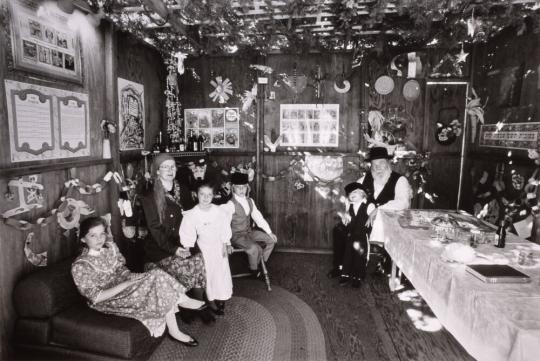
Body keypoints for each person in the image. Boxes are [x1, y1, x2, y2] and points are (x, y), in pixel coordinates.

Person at [71, 217, 202, 346]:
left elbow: (120, 269)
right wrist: (126, 283)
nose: (99, 239)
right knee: (156, 280)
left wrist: (131, 277)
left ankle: (175, 328)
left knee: (156, 275)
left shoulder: (109, 248)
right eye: (93, 235)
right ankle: (181, 302)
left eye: (102, 234)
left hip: (125, 284)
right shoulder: (81, 265)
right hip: (108, 299)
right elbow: (96, 297)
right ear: (83, 239)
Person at [140, 154, 213, 323]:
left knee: (200, 259)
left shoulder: (183, 189)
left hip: (184, 240)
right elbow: (155, 229)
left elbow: (192, 215)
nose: (170, 170)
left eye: (172, 166)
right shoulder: (149, 195)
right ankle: (189, 306)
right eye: (165, 167)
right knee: (187, 266)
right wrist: (174, 249)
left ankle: (198, 304)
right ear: (157, 171)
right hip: (160, 248)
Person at [328, 147, 412, 278]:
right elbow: (351, 197)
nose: (378, 167)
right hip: (361, 221)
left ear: (388, 163)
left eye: (381, 163)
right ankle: (340, 266)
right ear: (370, 165)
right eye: (374, 164)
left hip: (386, 222)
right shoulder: (363, 180)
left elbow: (403, 202)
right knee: (339, 230)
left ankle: (386, 264)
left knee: (392, 233)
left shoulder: (399, 180)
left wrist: (378, 209)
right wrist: (347, 212)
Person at [180, 182, 233, 315]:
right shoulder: (192, 214)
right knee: (208, 274)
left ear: (213, 196)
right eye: (202, 194)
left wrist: (226, 243)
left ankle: (221, 296)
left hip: (218, 245)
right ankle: (210, 300)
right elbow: (187, 233)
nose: (205, 198)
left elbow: (225, 228)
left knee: (221, 272)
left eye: (209, 195)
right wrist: (187, 247)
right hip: (203, 248)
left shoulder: (219, 211)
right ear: (196, 195)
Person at [221, 173, 277, 278]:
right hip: (236, 236)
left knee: (271, 240)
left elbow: (258, 217)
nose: (242, 190)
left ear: (247, 187)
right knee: (254, 248)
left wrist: (269, 232)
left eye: (244, 187)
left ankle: (260, 262)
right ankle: (253, 270)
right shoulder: (230, 204)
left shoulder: (250, 201)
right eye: (238, 187)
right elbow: (225, 225)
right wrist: (227, 243)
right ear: (233, 188)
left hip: (249, 232)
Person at [338, 183, 375, 288]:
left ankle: (357, 277)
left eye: (354, 192)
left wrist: (373, 215)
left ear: (362, 194)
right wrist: (345, 217)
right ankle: (346, 274)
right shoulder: (350, 205)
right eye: (350, 194)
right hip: (351, 235)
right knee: (348, 254)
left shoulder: (368, 205)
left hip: (362, 236)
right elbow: (347, 215)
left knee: (360, 256)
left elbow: (376, 213)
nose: (351, 195)